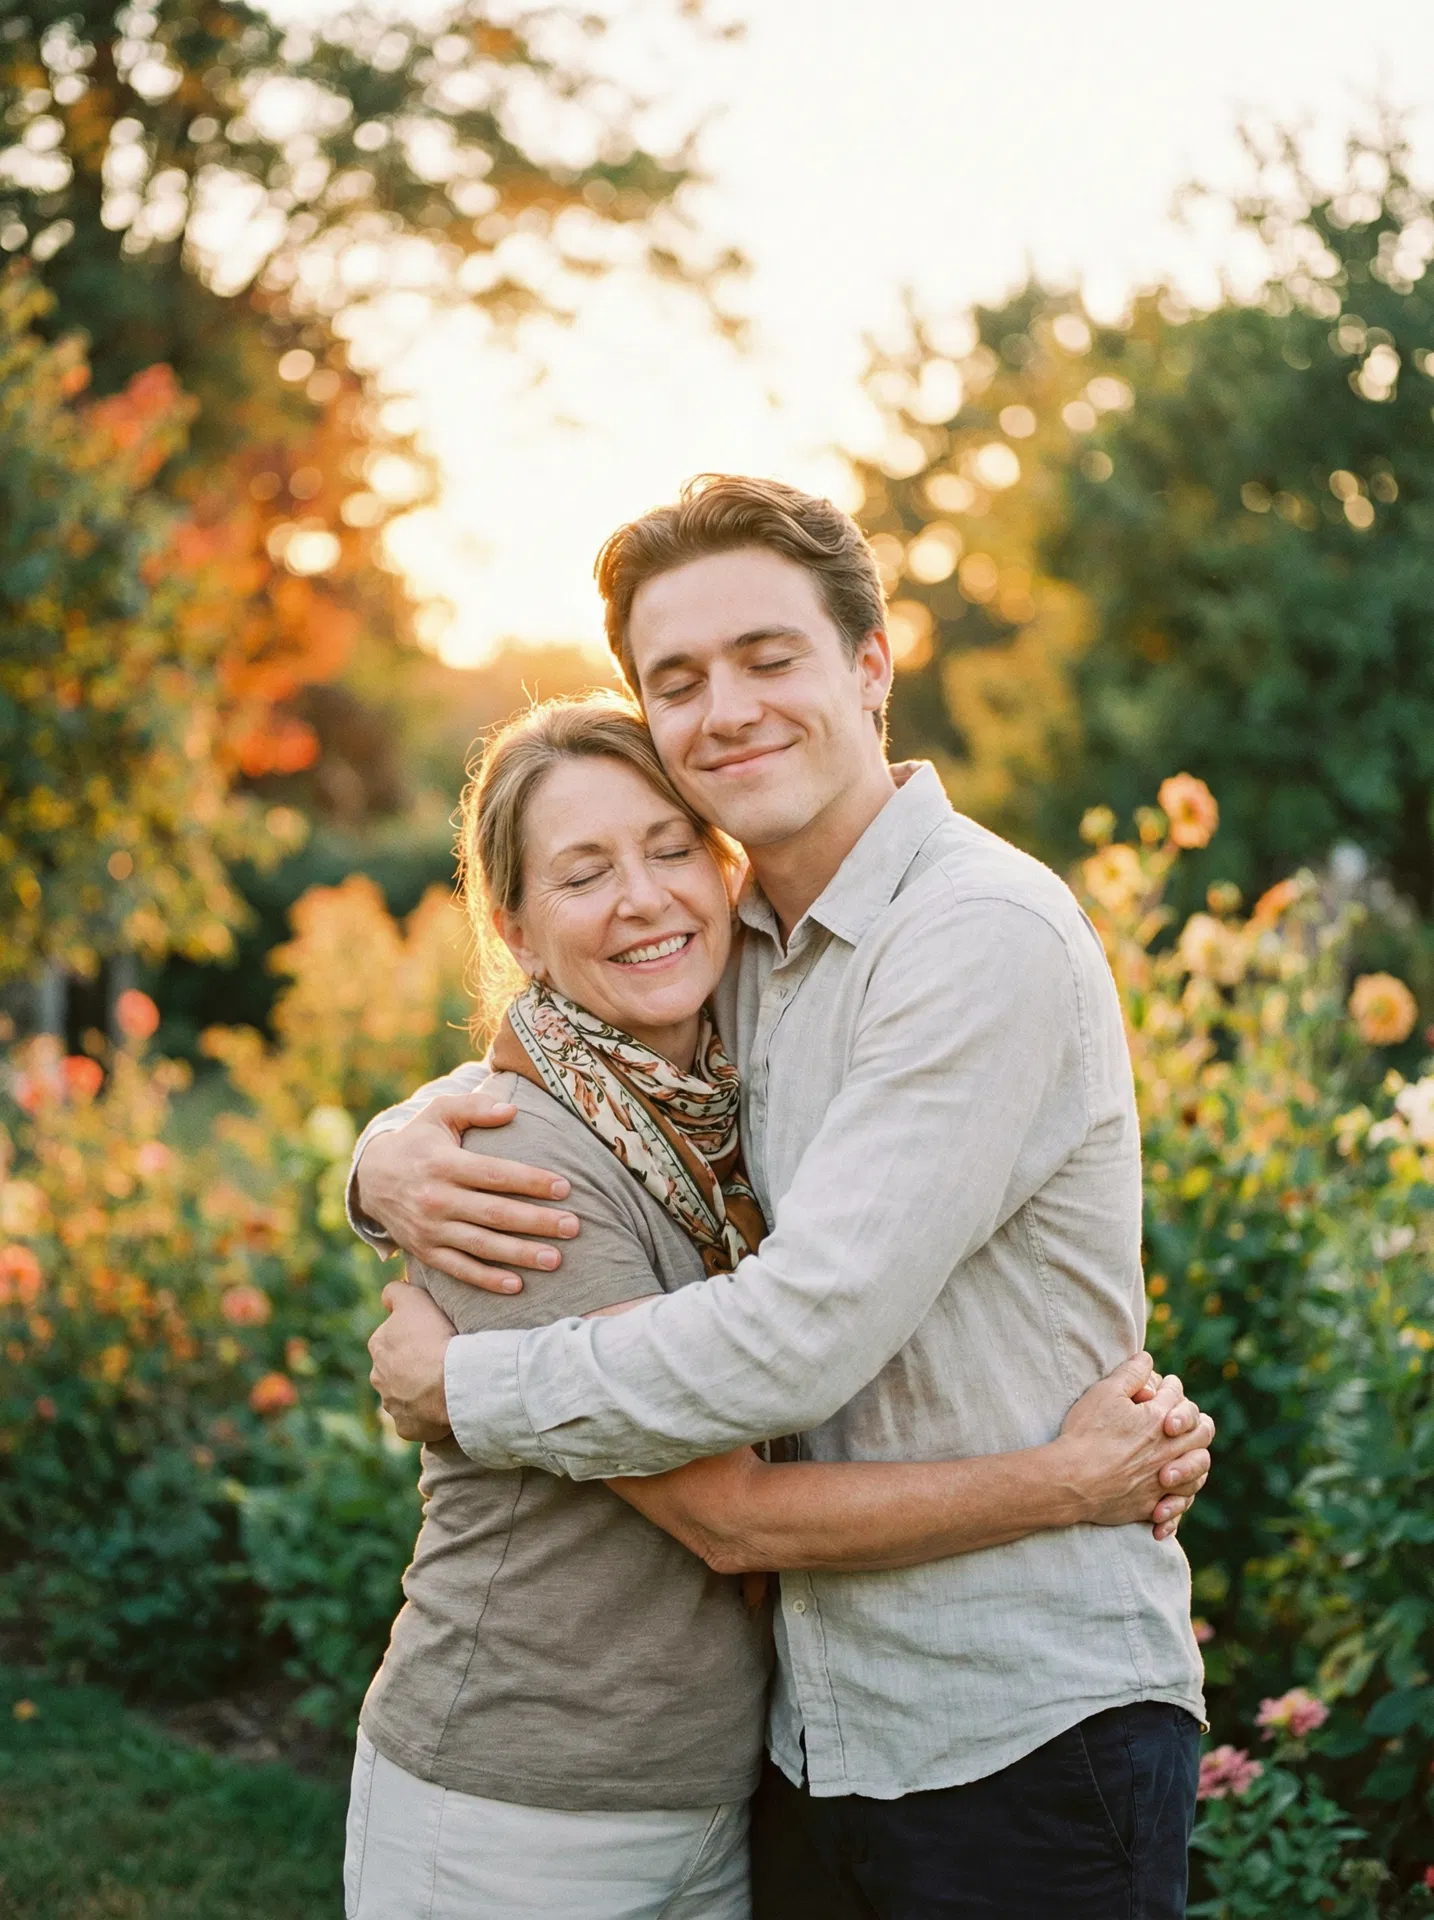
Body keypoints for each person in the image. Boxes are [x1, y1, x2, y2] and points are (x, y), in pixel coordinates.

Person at [358, 475, 1211, 1919]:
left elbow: (799, 1336)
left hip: (1013, 1731)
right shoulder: (738, 945)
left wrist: (470, 1390)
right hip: (813, 1740)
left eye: (768, 657)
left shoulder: (974, 934)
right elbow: (559, 1053)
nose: (727, 710)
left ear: (870, 664)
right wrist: (384, 1157)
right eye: (678, 680)